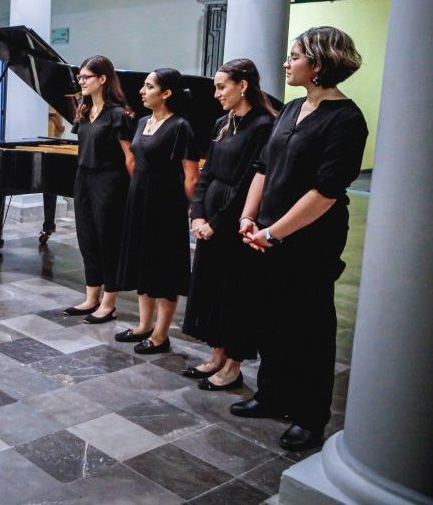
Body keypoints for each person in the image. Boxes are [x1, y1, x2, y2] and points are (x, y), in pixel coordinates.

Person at [233, 27, 367, 452]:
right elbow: (263, 167)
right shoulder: (291, 108)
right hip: (266, 231)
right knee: (270, 317)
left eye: (294, 57)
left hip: (310, 241)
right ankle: (272, 395)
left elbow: (326, 191)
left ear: (319, 63)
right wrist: (248, 216)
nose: (286, 63)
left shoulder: (346, 119)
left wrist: (273, 233)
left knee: (308, 328)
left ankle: (310, 416)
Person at [182, 59, 276, 392]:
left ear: (243, 85)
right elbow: (206, 172)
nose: (216, 94)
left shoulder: (263, 125)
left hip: (235, 223)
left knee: (234, 294)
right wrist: (197, 214)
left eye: (222, 87)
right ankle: (216, 355)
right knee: (211, 291)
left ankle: (233, 366)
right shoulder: (223, 122)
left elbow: (249, 180)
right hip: (210, 218)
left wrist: (217, 222)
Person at [115, 68, 199, 354]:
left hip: (166, 208)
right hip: (139, 204)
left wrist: (194, 208)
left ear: (166, 93)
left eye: (149, 86)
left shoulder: (180, 127)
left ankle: (161, 335)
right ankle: (143, 326)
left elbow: (191, 175)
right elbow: (136, 163)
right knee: (143, 265)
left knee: (164, 270)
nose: (142, 91)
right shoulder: (142, 122)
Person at [61, 56, 135, 324]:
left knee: (108, 242)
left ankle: (109, 303)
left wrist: (135, 192)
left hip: (109, 182)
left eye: (86, 77)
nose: (81, 81)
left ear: (102, 79)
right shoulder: (84, 110)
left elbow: (129, 158)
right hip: (83, 179)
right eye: (79, 77)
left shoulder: (118, 115)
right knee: (87, 239)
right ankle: (91, 297)